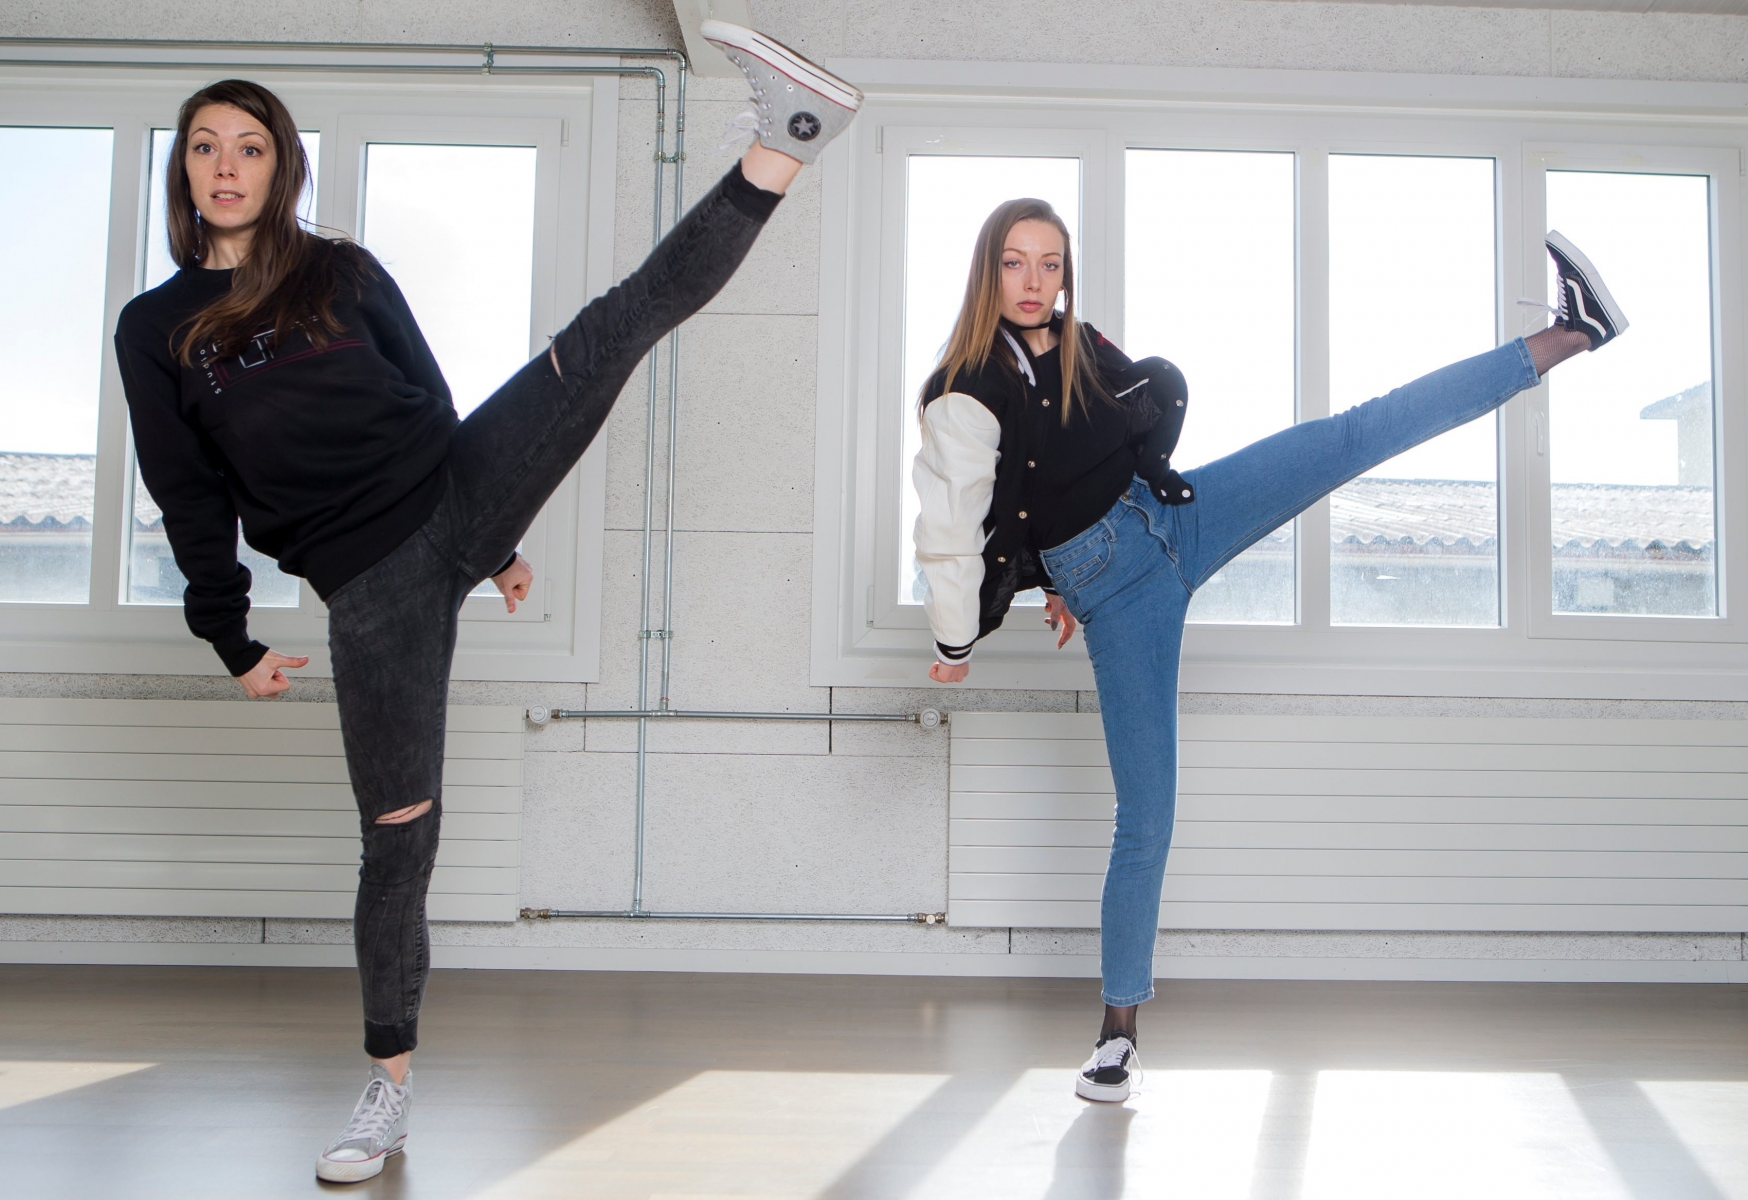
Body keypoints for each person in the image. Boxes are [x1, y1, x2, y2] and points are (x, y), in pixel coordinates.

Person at [113, 22, 860, 1183]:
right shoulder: (157, 330)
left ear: (279, 168)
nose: (225, 165)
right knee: (397, 842)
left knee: (612, 328)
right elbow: (186, 492)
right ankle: (388, 1090)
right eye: (205, 147)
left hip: (460, 484)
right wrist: (230, 633)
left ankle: (786, 141)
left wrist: (494, 536)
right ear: (183, 172)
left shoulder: (343, 273)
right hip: (369, 591)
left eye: (248, 147)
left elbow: (428, 393)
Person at [911, 198, 1625, 1102]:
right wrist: (958, 637)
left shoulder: (1080, 341)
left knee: (1356, 432)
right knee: (1148, 819)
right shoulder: (965, 386)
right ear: (988, 271)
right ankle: (1118, 1033)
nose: (1035, 282)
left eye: (1051, 264)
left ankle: (1566, 338)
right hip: (1120, 594)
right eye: (1016, 264)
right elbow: (954, 517)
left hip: (1180, 515)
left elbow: (1102, 448)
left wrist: (1056, 558)